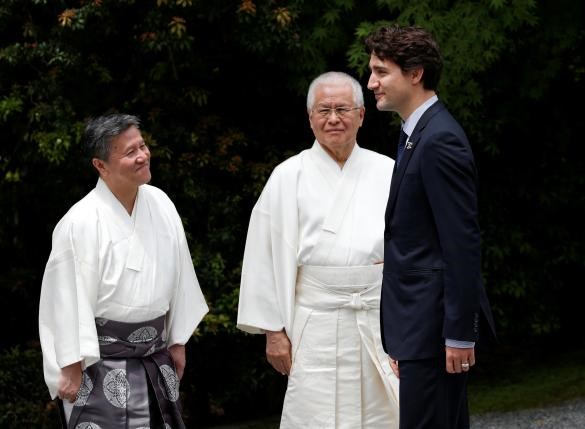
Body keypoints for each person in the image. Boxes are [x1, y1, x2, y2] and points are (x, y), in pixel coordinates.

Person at [237, 71, 399, 428]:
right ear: (310, 118)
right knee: (315, 413)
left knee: (385, 413)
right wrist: (273, 333)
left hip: (378, 316)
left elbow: (410, 250)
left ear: (361, 115)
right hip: (316, 318)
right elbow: (262, 257)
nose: (333, 118)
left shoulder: (389, 171)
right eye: (324, 110)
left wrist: (409, 325)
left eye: (343, 108)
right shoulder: (287, 176)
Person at [38, 113, 209, 428]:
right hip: (99, 364)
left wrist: (177, 339)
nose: (143, 156)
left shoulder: (162, 203)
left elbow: (181, 274)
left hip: (156, 356)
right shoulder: (79, 221)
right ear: (100, 166)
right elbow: (63, 299)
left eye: (142, 146)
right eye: (130, 152)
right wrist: (71, 364)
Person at [365, 25, 497, 428]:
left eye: (381, 71)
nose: (371, 83)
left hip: (435, 330)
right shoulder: (414, 134)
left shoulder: (439, 139)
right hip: (418, 329)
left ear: (415, 73)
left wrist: (457, 334)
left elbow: (460, 243)